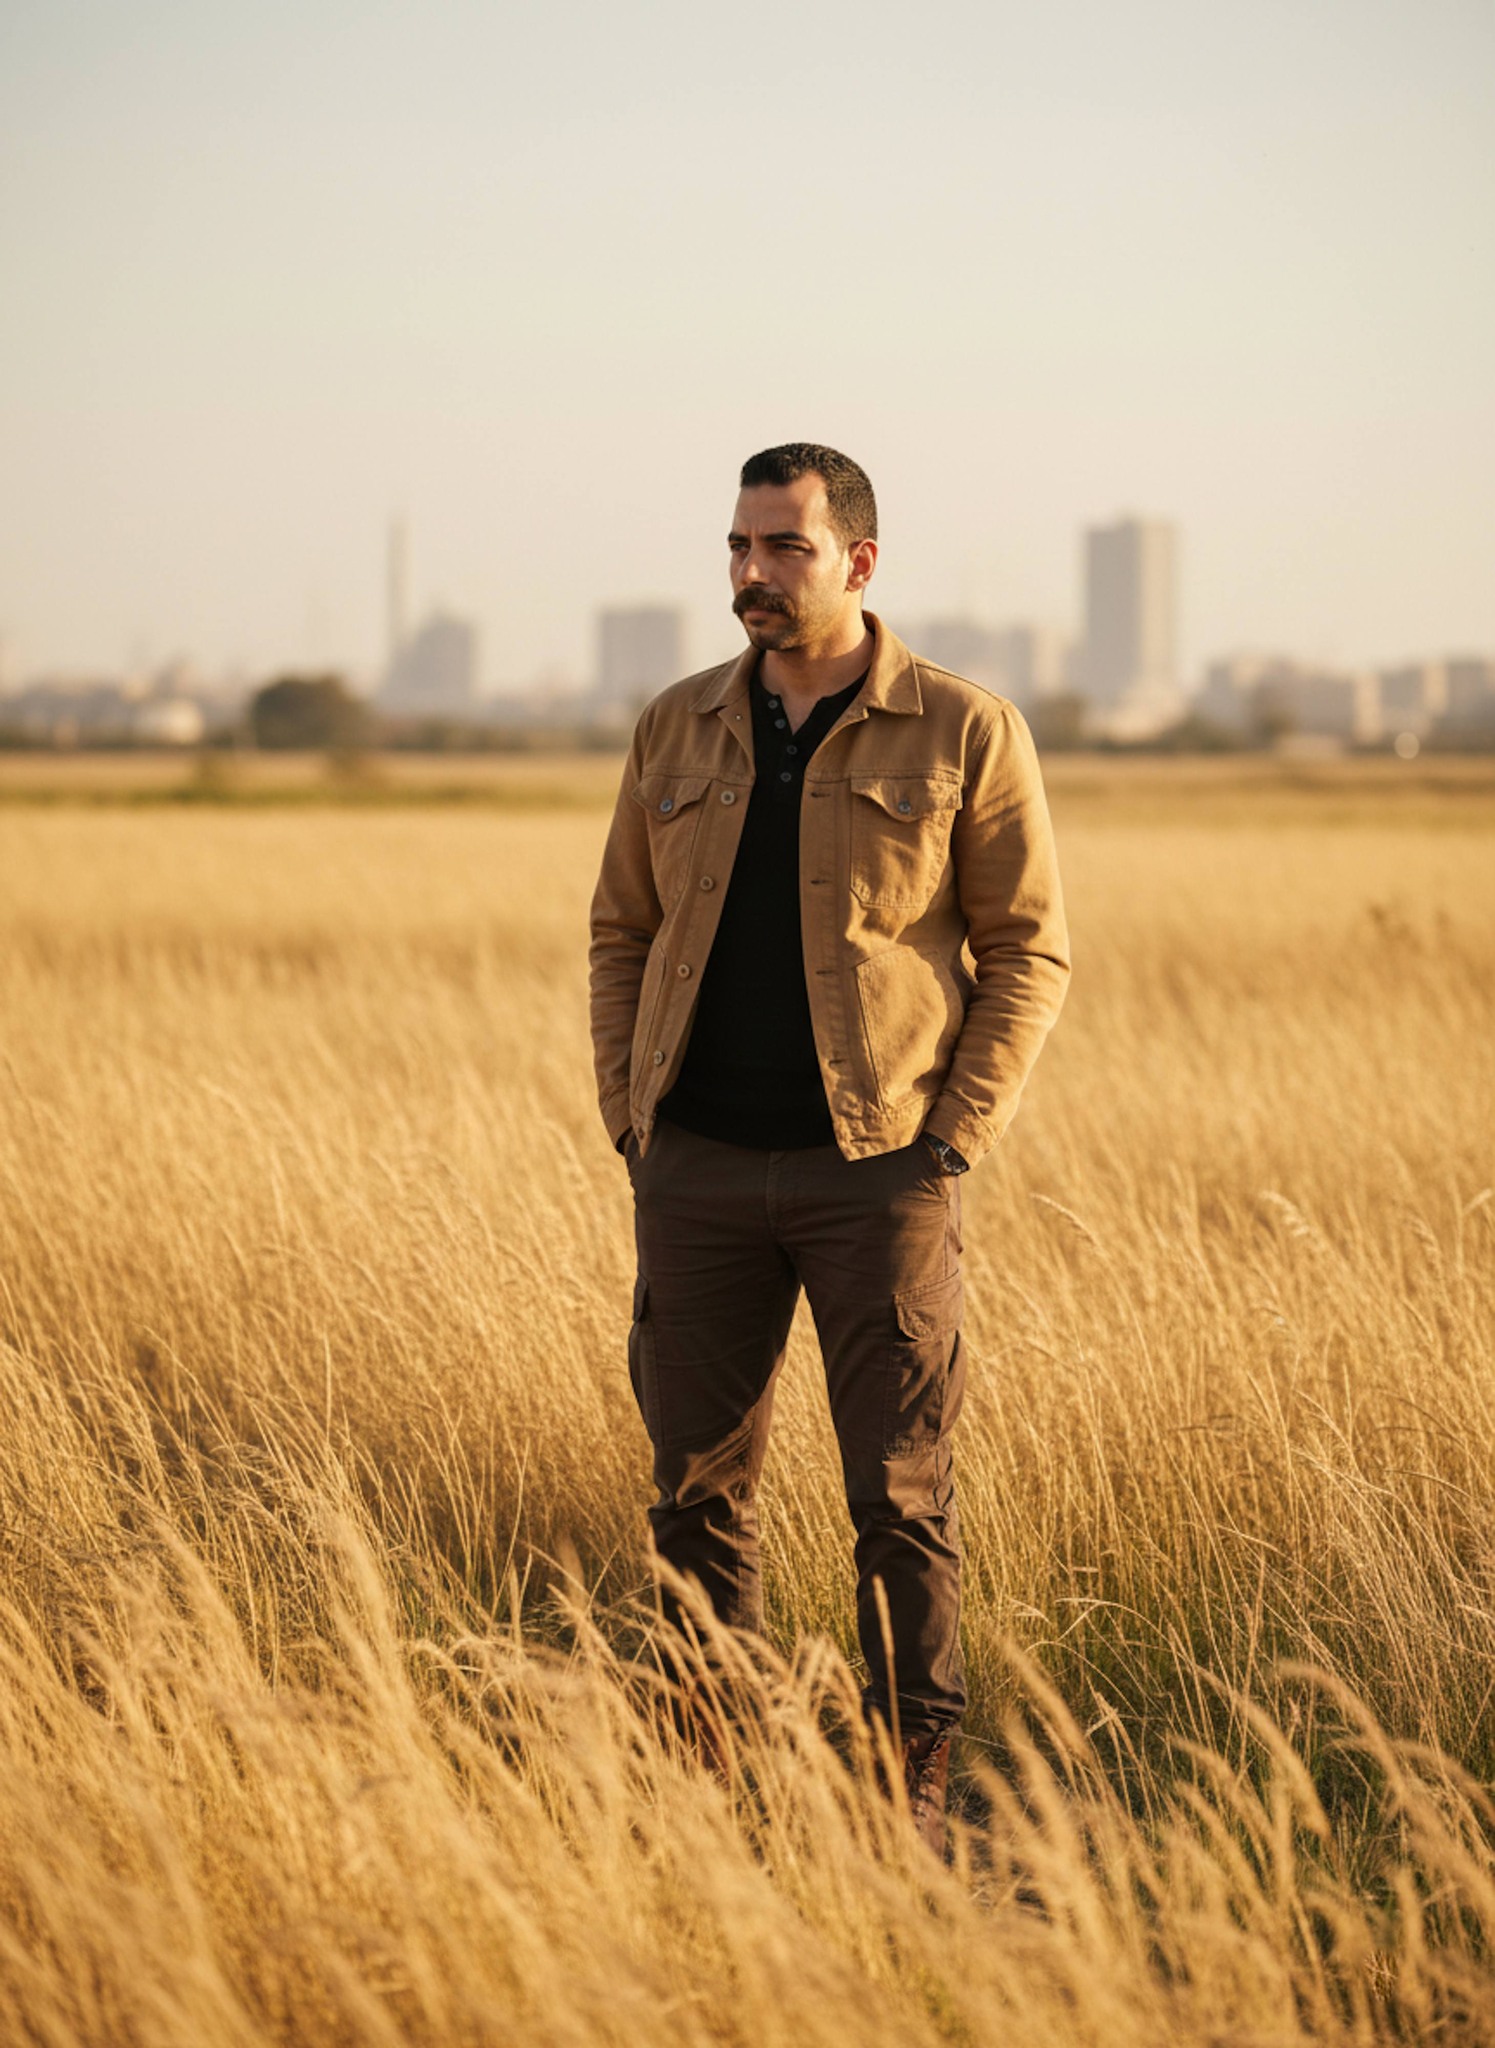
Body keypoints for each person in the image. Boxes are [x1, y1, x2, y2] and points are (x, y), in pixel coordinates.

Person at [588, 442, 1069, 1848]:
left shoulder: (965, 729)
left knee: (901, 1497)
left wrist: (949, 1141)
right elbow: (622, 928)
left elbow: (1030, 952)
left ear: (860, 561)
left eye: (783, 549)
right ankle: (708, 1767)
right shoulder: (677, 727)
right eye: (738, 547)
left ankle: (909, 1784)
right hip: (699, 1169)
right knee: (694, 1494)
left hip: (883, 1174)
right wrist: (635, 1122)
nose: (750, 574)